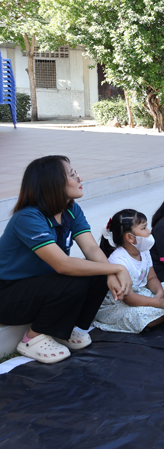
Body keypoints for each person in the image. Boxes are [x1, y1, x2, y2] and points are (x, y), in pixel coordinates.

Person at [0, 156, 133, 364]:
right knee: (74, 278)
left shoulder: (71, 209)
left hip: (42, 285)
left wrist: (111, 271)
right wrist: (118, 268)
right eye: (72, 174)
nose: (79, 178)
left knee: (99, 272)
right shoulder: (28, 217)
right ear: (52, 183)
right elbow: (63, 265)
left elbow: (90, 248)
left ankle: (64, 329)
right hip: (9, 295)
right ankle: (32, 338)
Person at [94, 209, 164, 333]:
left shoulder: (144, 250)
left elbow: (151, 278)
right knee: (138, 315)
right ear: (130, 237)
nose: (149, 231)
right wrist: (158, 303)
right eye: (144, 228)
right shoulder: (118, 260)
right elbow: (128, 298)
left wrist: (159, 293)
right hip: (120, 303)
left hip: (142, 293)